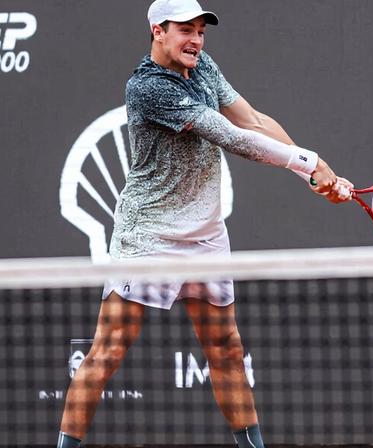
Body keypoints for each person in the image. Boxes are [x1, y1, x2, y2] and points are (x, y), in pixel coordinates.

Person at [57, 1, 352, 447]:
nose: (196, 40)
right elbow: (231, 137)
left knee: (228, 351)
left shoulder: (204, 67)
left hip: (206, 237)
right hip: (148, 238)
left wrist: (309, 171)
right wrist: (311, 162)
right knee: (107, 352)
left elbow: (251, 120)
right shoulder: (148, 87)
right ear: (158, 31)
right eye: (185, 31)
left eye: (201, 31)